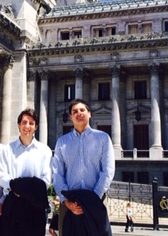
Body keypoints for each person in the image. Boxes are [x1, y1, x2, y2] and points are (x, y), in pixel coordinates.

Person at [52, 99, 115, 236]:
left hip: (96, 201)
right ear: (70, 117)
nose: (79, 113)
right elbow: (57, 174)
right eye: (74, 111)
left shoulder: (103, 138)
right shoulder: (62, 142)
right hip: (69, 204)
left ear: (89, 114)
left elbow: (108, 170)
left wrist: (93, 198)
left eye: (82, 110)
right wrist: (66, 201)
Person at [0, 108, 52, 236]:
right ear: (18, 125)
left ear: (36, 127)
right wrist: (24, 186)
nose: (27, 126)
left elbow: (46, 179)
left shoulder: (45, 151)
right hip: (13, 204)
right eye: (24, 122)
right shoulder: (7, 149)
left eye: (31, 123)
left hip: (36, 206)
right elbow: (2, 176)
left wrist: (19, 186)